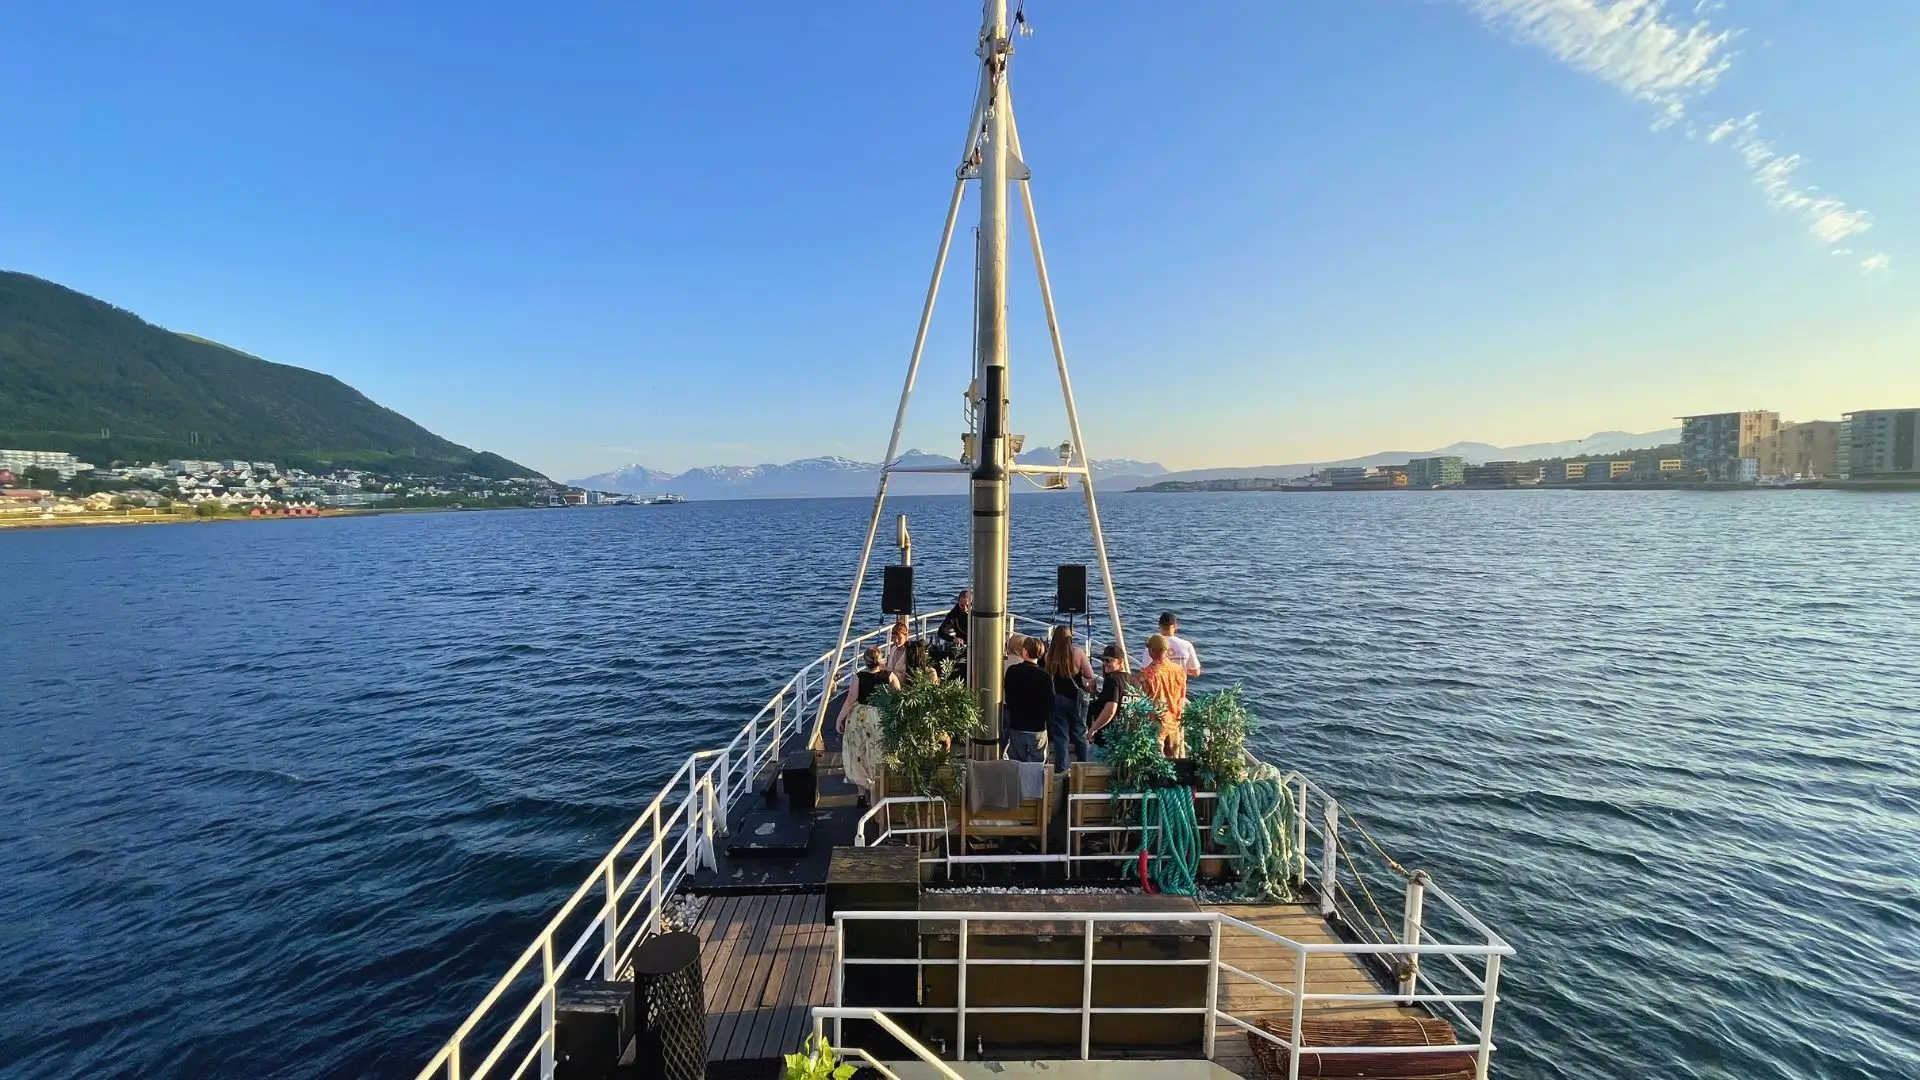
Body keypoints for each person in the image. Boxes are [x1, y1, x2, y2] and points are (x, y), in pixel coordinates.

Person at [835, 646, 898, 805]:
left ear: (865, 661)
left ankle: (862, 795)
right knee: (879, 753)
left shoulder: (859, 677)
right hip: (881, 718)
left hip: (861, 719)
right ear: (880, 659)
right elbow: (899, 696)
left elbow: (850, 701)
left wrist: (839, 719)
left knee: (859, 754)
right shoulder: (889, 676)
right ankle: (882, 790)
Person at [1043, 625, 1096, 773]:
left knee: (1061, 736)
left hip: (1058, 698)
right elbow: (1090, 675)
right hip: (1077, 700)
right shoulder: (1078, 653)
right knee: (1080, 732)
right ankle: (1083, 766)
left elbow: (1048, 674)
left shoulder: (1049, 655)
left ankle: (1062, 769)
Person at [1002, 636, 1053, 763]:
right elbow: (1050, 704)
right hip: (1038, 727)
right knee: (1039, 766)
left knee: (1017, 764)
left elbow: (1008, 696)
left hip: (1017, 724)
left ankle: (1019, 783)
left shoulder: (1012, 671)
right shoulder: (1045, 676)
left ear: (1024, 652)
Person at [1138, 633, 1189, 758]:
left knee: (1157, 762)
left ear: (1152, 651)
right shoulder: (1179, 670)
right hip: (1176, 721)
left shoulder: (1146, 674)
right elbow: (1182, 694)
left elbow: (1142, 700)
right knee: (1176, 760)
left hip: (1157, 722)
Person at [1088, 642, 1129, 744]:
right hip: (1127, 737)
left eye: (1109, 660)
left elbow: (1111, 709)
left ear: (1121, 662)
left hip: (1108, 738)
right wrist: (1094, 692)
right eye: (1103, 660)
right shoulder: (1134, 680)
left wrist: (1093, 729)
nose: (1105, 663)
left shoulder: (1112, 679)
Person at [1139, 611, 1202, 677]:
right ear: (1175, 625)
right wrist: (1180, 670)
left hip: (1158, 685)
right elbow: (1196, 672)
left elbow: (1144, 669)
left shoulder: (1153, 644)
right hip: (1179, 685)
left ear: (1159, 625)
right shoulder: (1187, 645)